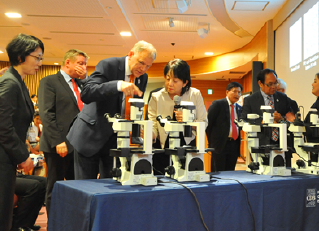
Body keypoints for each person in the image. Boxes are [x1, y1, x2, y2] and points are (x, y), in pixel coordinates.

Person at [67, 40, 156, 179]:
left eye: (148, 66)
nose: (143, 69)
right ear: (131, 54)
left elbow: (134, 108)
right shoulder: (109, 65)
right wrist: (118, 85)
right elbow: (87, 93)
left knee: (111, 188)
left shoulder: (142, 78)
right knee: (86, 189)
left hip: (116, 142)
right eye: (141, 62)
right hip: (90, 136)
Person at [38, 49, 88, 217]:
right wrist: (58, 141)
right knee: (55, 186)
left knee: (78, 186)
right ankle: (54, 223)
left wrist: (86, 79)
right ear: (67, 62)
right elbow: (47, 114)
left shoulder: (81, 84)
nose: (83, 67)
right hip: (58, 144)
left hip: (78, 144)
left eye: (85, 64)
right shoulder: (49, 81)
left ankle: (73, 220)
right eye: (80, 63)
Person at [0, 33, 43, 232]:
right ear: (20, 57)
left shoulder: (19, 81)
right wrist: (22, 155)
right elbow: (3, 125)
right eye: (37, 57)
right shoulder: (10, 83)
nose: (40, 63)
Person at [147, 59, 207, 175]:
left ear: (185, 82)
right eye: (167, 79)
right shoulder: (156, 97)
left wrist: (189, 121)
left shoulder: (195, 94)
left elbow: (203, 122)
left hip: (188, 148)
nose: (170, 84)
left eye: (175, 81)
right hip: (163, 150)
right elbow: (153, 125)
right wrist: (150, 134)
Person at [240, 68, 293, 166]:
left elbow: (291, 118)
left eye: (275, 83)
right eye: (270, 84)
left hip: (282, 145)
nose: (274, 87)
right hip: (261, 145)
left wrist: (281, 118)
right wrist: (262, 120)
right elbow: (244, 119)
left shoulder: (283, 98)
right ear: (260, 83)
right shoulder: (250, 100)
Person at [206, 82, 243, 172]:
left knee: (230, 172)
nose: (237, 94)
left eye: (239, 92)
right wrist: (212, 143)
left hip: (234, 145)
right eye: (234, 91)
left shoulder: (239, 108)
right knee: (218, 173)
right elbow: (208, 124)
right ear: (227, 92)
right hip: (219, 145)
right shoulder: (217, 104)